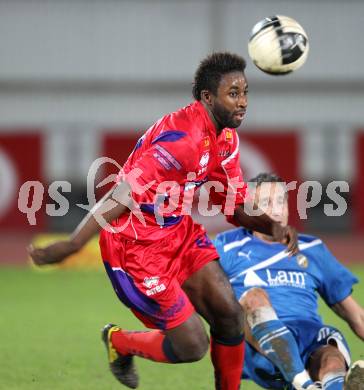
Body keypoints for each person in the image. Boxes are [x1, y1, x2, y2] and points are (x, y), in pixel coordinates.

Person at [28, 53, 299, 390]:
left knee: (230, 317)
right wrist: (73, 243)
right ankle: (120, 342)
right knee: (192, 346)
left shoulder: (225, 138)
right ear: (207, 97)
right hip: (135, 249)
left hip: (177, 233)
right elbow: (123, 193)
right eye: (233, 93)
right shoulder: (182, 139)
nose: (243, 102)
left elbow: (233, 205)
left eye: (245, 92)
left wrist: (271, 226)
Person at [215, 172, 364, 390]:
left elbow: (356, 315)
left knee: (332, 358)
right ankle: (303, 384)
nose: (276, 210)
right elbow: (200, 288)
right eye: (266, 202)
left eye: (280, 201)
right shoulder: (227, 246)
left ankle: (333, 385)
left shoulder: (312, 249)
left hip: (308, 339)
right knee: (254, 297)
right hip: (260, 348)